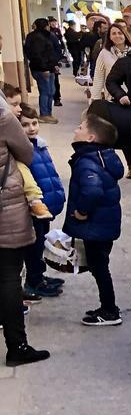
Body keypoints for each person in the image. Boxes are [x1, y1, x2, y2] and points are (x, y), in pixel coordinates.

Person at [63, 113, 124, 327]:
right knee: (100, 265)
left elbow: (92, 191)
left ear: (90, 138)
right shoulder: (103, 156)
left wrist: (81, 212)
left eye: (80, 127)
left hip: (96, 226)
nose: (75, 130)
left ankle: (110, 310)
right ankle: (107, 306)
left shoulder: (87, 161)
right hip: (105, 225)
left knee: (99, 267)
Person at [0, 99, 44, 365]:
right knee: (7, 276)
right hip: (5, 205)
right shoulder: (3, 117)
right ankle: (17, 347)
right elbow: (26, 153)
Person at [17, 105, 66, 300]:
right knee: (34, 245)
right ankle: (34, 281)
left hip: (46, 206)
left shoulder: (39, 145)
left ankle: (40, 275)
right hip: (34, 207)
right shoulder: (22, 150)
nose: (32, 128)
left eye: (34, 123)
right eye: (25, 125)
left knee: (41, 241)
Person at [23, 19, 59, 123]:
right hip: (42, 69)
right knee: (45, 92)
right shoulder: (37, 37)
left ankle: (48, 113)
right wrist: (44, 68)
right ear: (45, 26)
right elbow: (37, 55)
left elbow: (49, 53)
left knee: (51, 91)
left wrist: (54, 65)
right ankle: (44, 114)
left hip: (49, 68)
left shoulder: (42, 36)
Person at [92, 22, 131, 103]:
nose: (117, 36)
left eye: (120, 33)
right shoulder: (104, 53)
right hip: (113, 97)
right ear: (110, 37)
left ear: (125, 35)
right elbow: (98, 78)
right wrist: (95, 100)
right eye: (113, 33)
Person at [47, 18, 67, 107]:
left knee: (55, 81)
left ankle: (56, 98)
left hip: (53, 60)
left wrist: (59, 57)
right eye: (52, 23)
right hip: (49, 62)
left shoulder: (56, 32)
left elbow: (59, 44)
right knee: (51, 82)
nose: (54, 24)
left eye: (55, 22)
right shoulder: (48, 35)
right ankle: (50, 99)